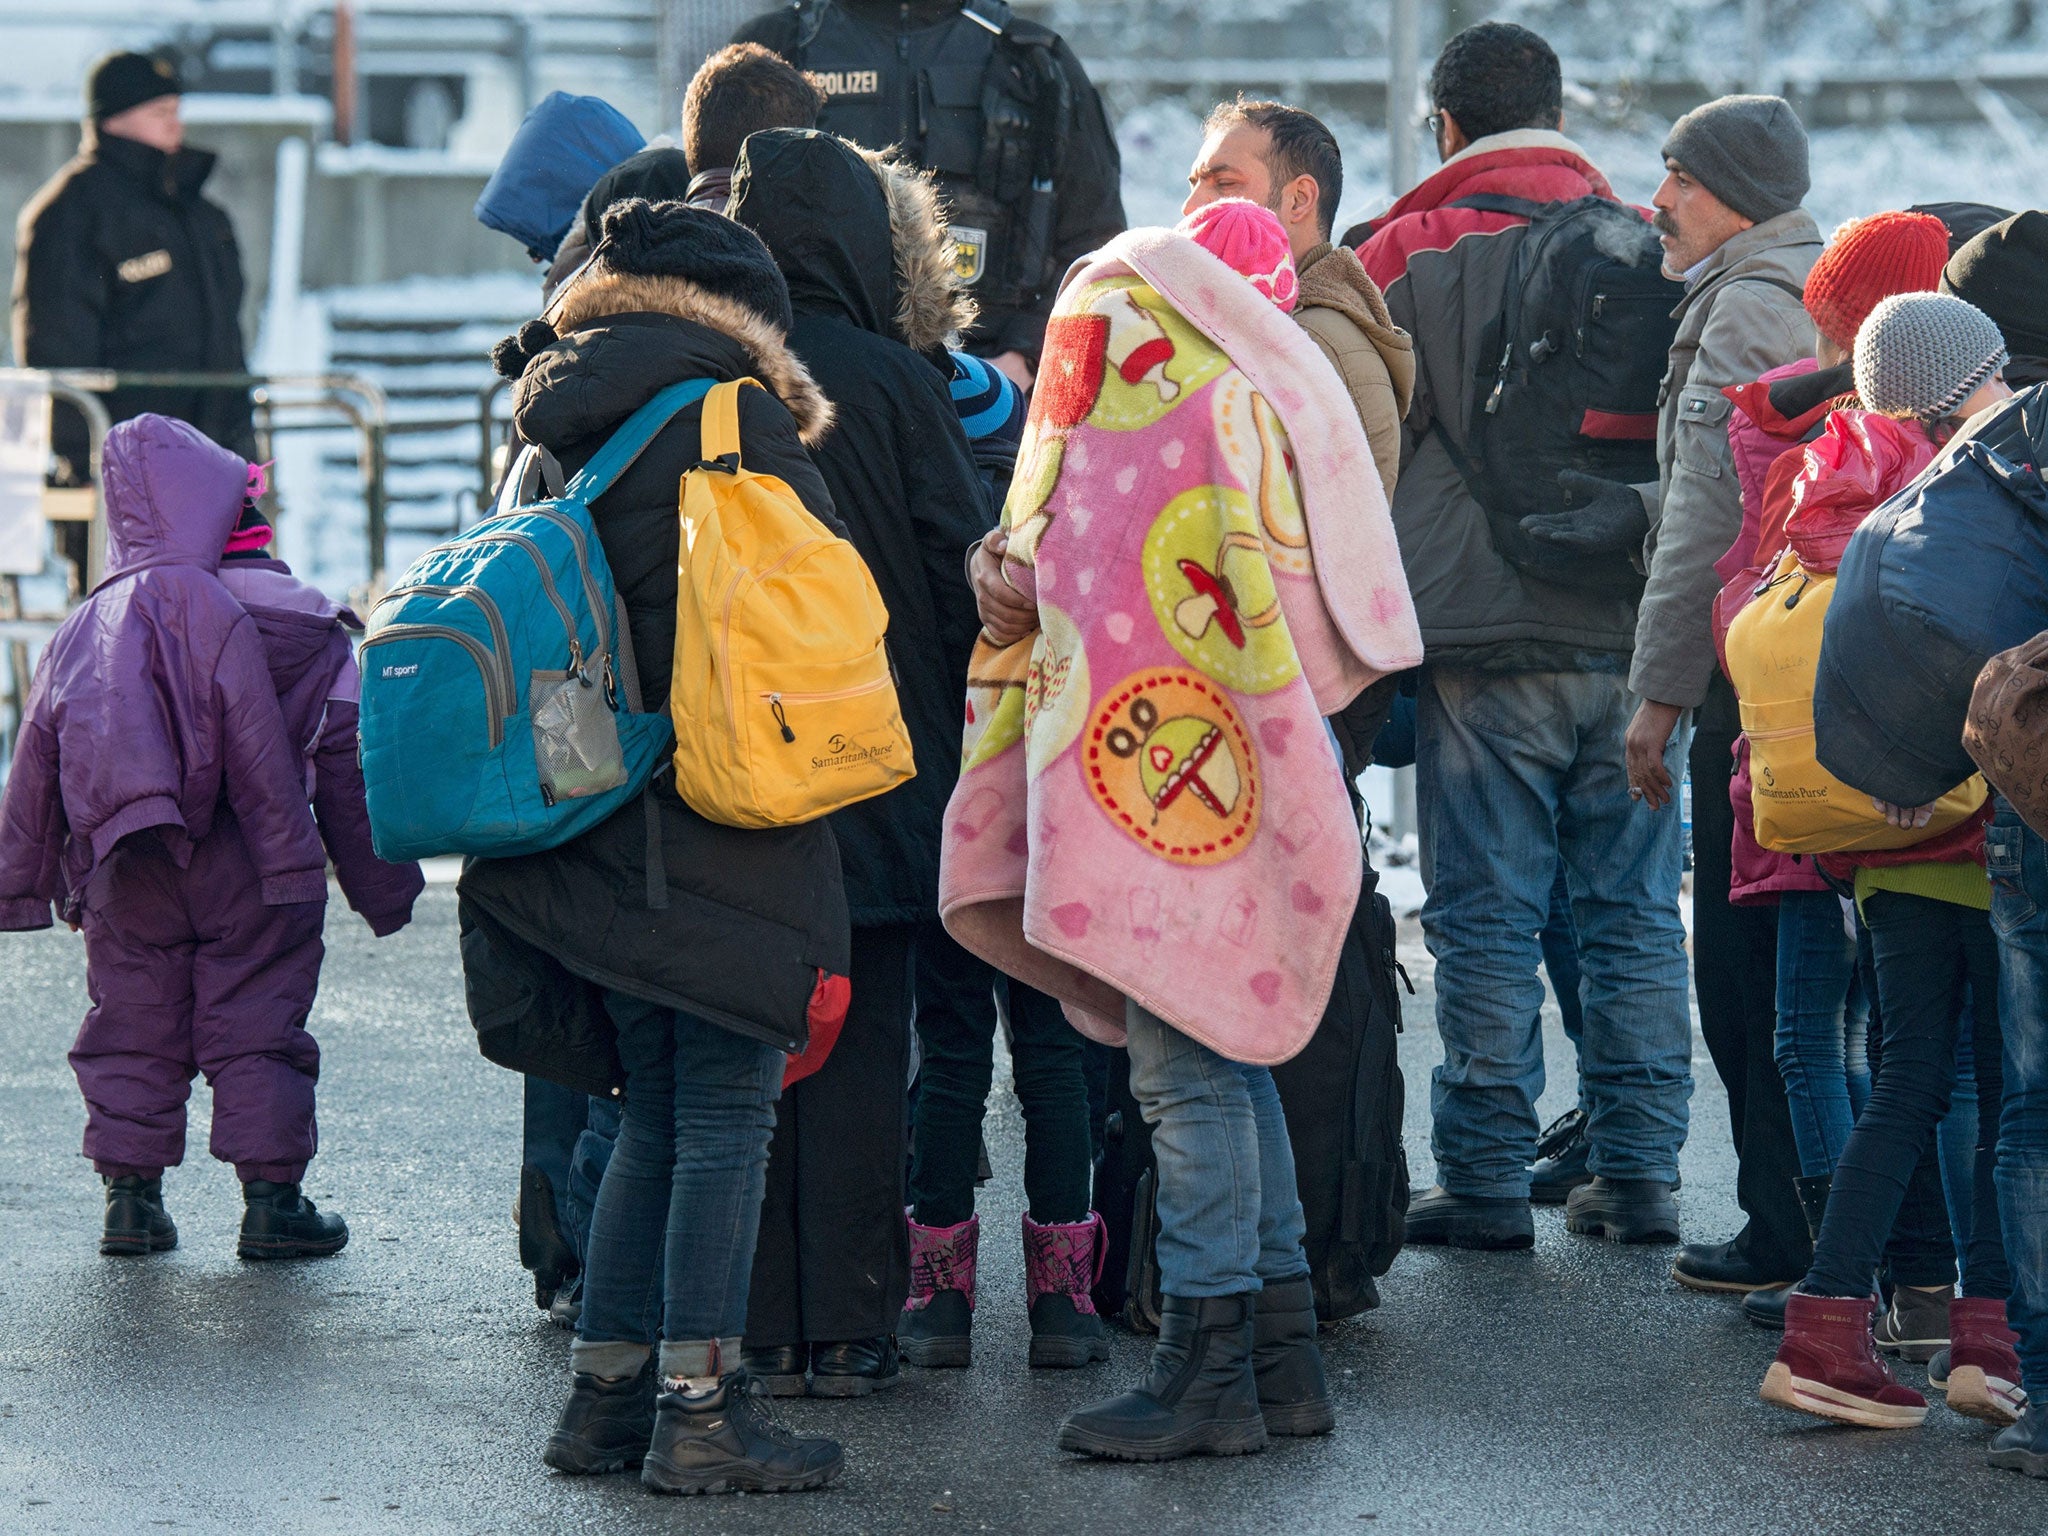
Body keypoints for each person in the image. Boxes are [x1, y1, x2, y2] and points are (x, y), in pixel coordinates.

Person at [942, 196, 1421, 1460]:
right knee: (1233, 1042)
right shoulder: (1259, 399)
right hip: (1245, 761)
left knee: (1183, 1065)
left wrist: (1006, 571)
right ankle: (1278, 1359)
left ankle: (1203, 1372)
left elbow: (1077, 577)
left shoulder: (1152, 402)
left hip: (1152, 787)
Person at [471, 200, 847, 1493]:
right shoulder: (729, 423)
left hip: (586, 819)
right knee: (728, 1112)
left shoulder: (551, 424)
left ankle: (604, 1398)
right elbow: (810, 618)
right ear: (740, 321)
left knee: (653, 1108)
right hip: (718, 816)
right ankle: (701, 1413)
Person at [1353, 22, 1692, 1251]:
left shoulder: (1405, 250)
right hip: (1634, 622)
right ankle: (1642, 1172)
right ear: (1556, 108)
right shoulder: (1653, 244)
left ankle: (1489, 1177)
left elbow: (1360, 443)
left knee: (1485, 911)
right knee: (1634, 910)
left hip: (1480, 637)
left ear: (1442, 124)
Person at [0, 415, 418, 1258]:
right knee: (257, 1021)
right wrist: (382, 886)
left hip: (129, 865)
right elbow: (345, 760)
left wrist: (24, 881)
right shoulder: (304, 624)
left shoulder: (92, 627)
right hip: (257, 872)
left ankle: (131, 1200)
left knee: (131, 1020)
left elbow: (35, 761)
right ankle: (271, 1203)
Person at [1549, 94, 1823, 1280]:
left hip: (1743, 695)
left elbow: (1713, 520)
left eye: (1677, 179)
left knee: (1751, 981)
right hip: (1791, 676)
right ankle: (1807, 1227)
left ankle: (1789, 1231)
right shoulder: (1785, 291)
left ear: (1736, 199)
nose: (1653, 200)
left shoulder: (1746, 307)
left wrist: (1655, 696)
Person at [1761, 292, 2023, 1432]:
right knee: (2012, 1095)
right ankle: (1987, 1338)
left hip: (1877, 829)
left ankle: (1823, 1327)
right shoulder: (1996, 479)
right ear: (1982, 365)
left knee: (1909, 1078)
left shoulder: (1841, 475)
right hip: (1984, 824)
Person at [1697, 210, 1950, 1319]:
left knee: (1811, 1037)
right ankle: (1934, 1281)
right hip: (1932, 799)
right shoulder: (1966, 450)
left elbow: (1761, 624)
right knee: (1928, 1060)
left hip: (1811, 797)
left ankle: (1838, 1269)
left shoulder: (1824, 455)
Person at [732, 0, 1127, 391]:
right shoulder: (780, 47)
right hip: (811, 386)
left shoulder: (1033, 60)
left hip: (993, 386)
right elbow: (719, 217)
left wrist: (1026, 355)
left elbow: (1097, 244)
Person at [13, 51, 258, 585]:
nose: (174, 119)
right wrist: (91, 471)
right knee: (131, 646)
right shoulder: (69, 215)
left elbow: (227, 339)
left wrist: (243, 449)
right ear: (111, 119)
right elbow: (56, 356)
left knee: (230, 637)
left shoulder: (201, 214)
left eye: (176, 106)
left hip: (220, 466)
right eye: (157, 109)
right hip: (131, 482)